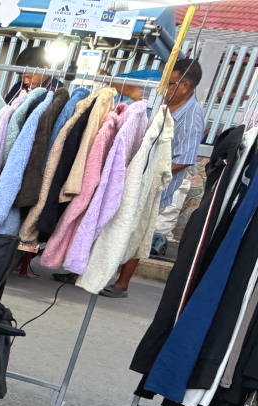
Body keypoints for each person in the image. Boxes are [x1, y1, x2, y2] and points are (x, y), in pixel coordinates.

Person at [100, 57, 205, 298]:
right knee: (108, 220)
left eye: (169, 84)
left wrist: (150, 173)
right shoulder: (162, 101)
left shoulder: (192, 116)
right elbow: (134, 92)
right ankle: (87, 271)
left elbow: (185, 158)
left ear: (185, 86)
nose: (163, 88)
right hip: (133, 174)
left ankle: (122, 283)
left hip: (156, 184)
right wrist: (108, 78)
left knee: (137, 230)